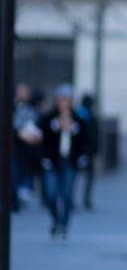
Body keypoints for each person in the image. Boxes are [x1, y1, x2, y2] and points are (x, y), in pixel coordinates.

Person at [37, 84, 90, 239]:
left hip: (70, 161)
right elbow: (42, 138)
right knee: (51, 194)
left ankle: (64, 226)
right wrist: (56, 126)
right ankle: (56, 220)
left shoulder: (79, 120)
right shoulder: (48, 119)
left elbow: (86, 140)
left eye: (67, 100)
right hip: (52, 162)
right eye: (62, 100)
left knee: (67, 195)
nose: (64, 103)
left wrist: (73, 129)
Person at [76, 94, 100, 210]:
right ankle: (86, 200)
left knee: (77, 176)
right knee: (88, 177)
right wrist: (96, 154)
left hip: (80, 152)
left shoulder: (77, 115)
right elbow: (95, 138)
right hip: (87, 152)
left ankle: (73, 200)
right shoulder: (90, 118)